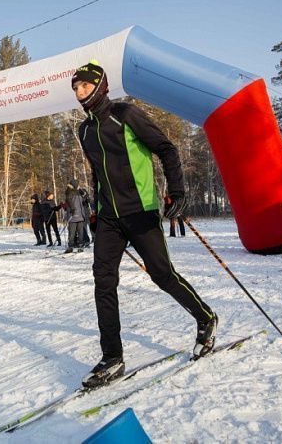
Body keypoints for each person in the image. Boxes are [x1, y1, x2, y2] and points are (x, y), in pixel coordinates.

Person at [71, 61, 218, 388]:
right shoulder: (84, 130)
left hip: (140, 211)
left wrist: (176, 189)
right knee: (103, 280)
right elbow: (97, 174)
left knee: (162, 275)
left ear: (100, 85)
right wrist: (96, 212)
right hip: (109, 217)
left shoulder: (124, 114)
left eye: (85, 85)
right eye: (76, 88)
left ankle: (205, 318)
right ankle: (112, 357)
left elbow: (166, 148)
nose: (80, 92)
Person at [64, 179, 87, 253]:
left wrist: (86, 198)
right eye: (77, 184)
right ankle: (70, 246)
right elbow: (68, 201)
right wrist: (71, 208)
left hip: (80, 216)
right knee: (72, 233)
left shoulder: (79, 192)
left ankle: (80, 246)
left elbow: (85, 197)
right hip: (72, 216)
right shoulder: (69, 192)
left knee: (81, 233)